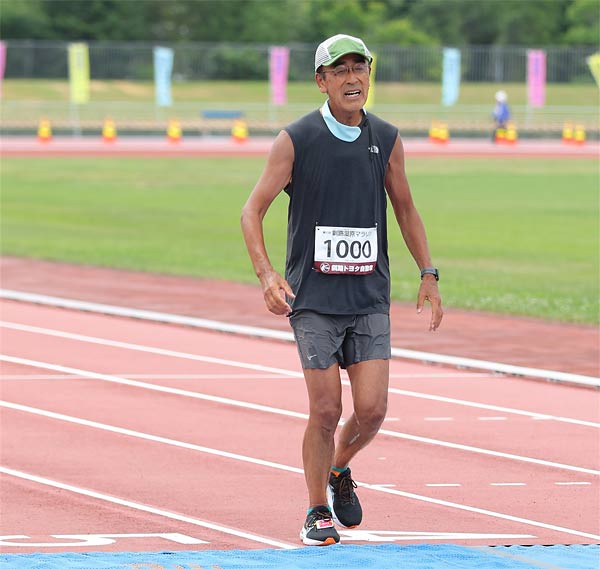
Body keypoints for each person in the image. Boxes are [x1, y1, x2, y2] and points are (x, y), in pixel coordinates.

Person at [241, 33, 443, 546]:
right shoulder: (297, 139)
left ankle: (339, 468)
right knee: (327, 409)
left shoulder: (388, 138)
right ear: (322, 81)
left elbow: (405, 207)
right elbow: (252, 211)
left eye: (361, 68)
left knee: (372, 410)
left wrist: (428, 272)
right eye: (342, 71)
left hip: (369, 296)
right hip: (313, 300)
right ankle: (315, 511)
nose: (354, 79)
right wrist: (267, 274)